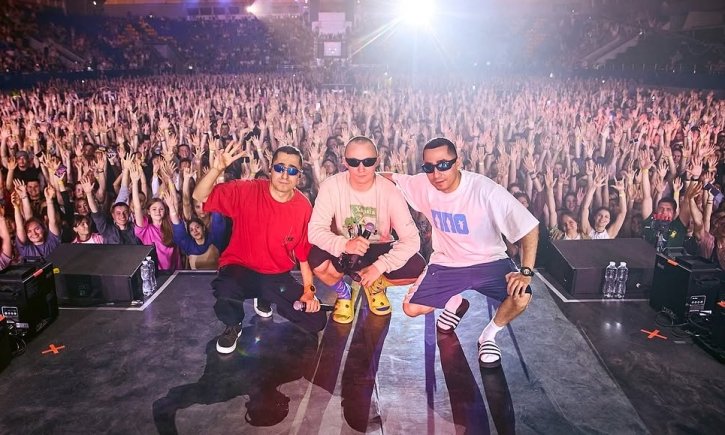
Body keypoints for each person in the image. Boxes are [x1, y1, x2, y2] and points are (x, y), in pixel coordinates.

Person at [384, 137, 539, 368]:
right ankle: (455, 303)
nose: (436, 173)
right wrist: (352, 174)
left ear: (458, 162)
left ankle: (488, 337)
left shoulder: (485, 190)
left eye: (443, 165)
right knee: (411, 309)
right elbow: (390, 177)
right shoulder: (422, 184)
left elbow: (529, 227)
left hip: (489, 261)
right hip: (447, 263)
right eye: (429, 167)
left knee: (521, 295)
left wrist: (525, 272)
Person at [193, 142, 326, 354]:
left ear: (299, 176)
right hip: (241, 268)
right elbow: (200, 196)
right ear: (270, 169)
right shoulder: (247, 190)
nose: (285, 175)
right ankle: (233, 325)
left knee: (316, 321)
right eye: (279, 168)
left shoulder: (303, 207)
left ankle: (265, 297)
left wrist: (309, 292)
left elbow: (303, 255)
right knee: (226, 289)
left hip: (276, 275)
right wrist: (216, 169)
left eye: (292, 170)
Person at [307, 136, 425, 324]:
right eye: (354, 162)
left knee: (416, 266)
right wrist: (344, 244)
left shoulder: (390, 190)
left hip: (378, 248)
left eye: (368, 162)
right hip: (346, 249)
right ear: (345, 162)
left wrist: (380, 267)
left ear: (377, 161)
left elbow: (411, 240)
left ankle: (375, 285)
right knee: (316, 258)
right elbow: (314, 231)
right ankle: (343, 293)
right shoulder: (331, 186)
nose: (361, 168)